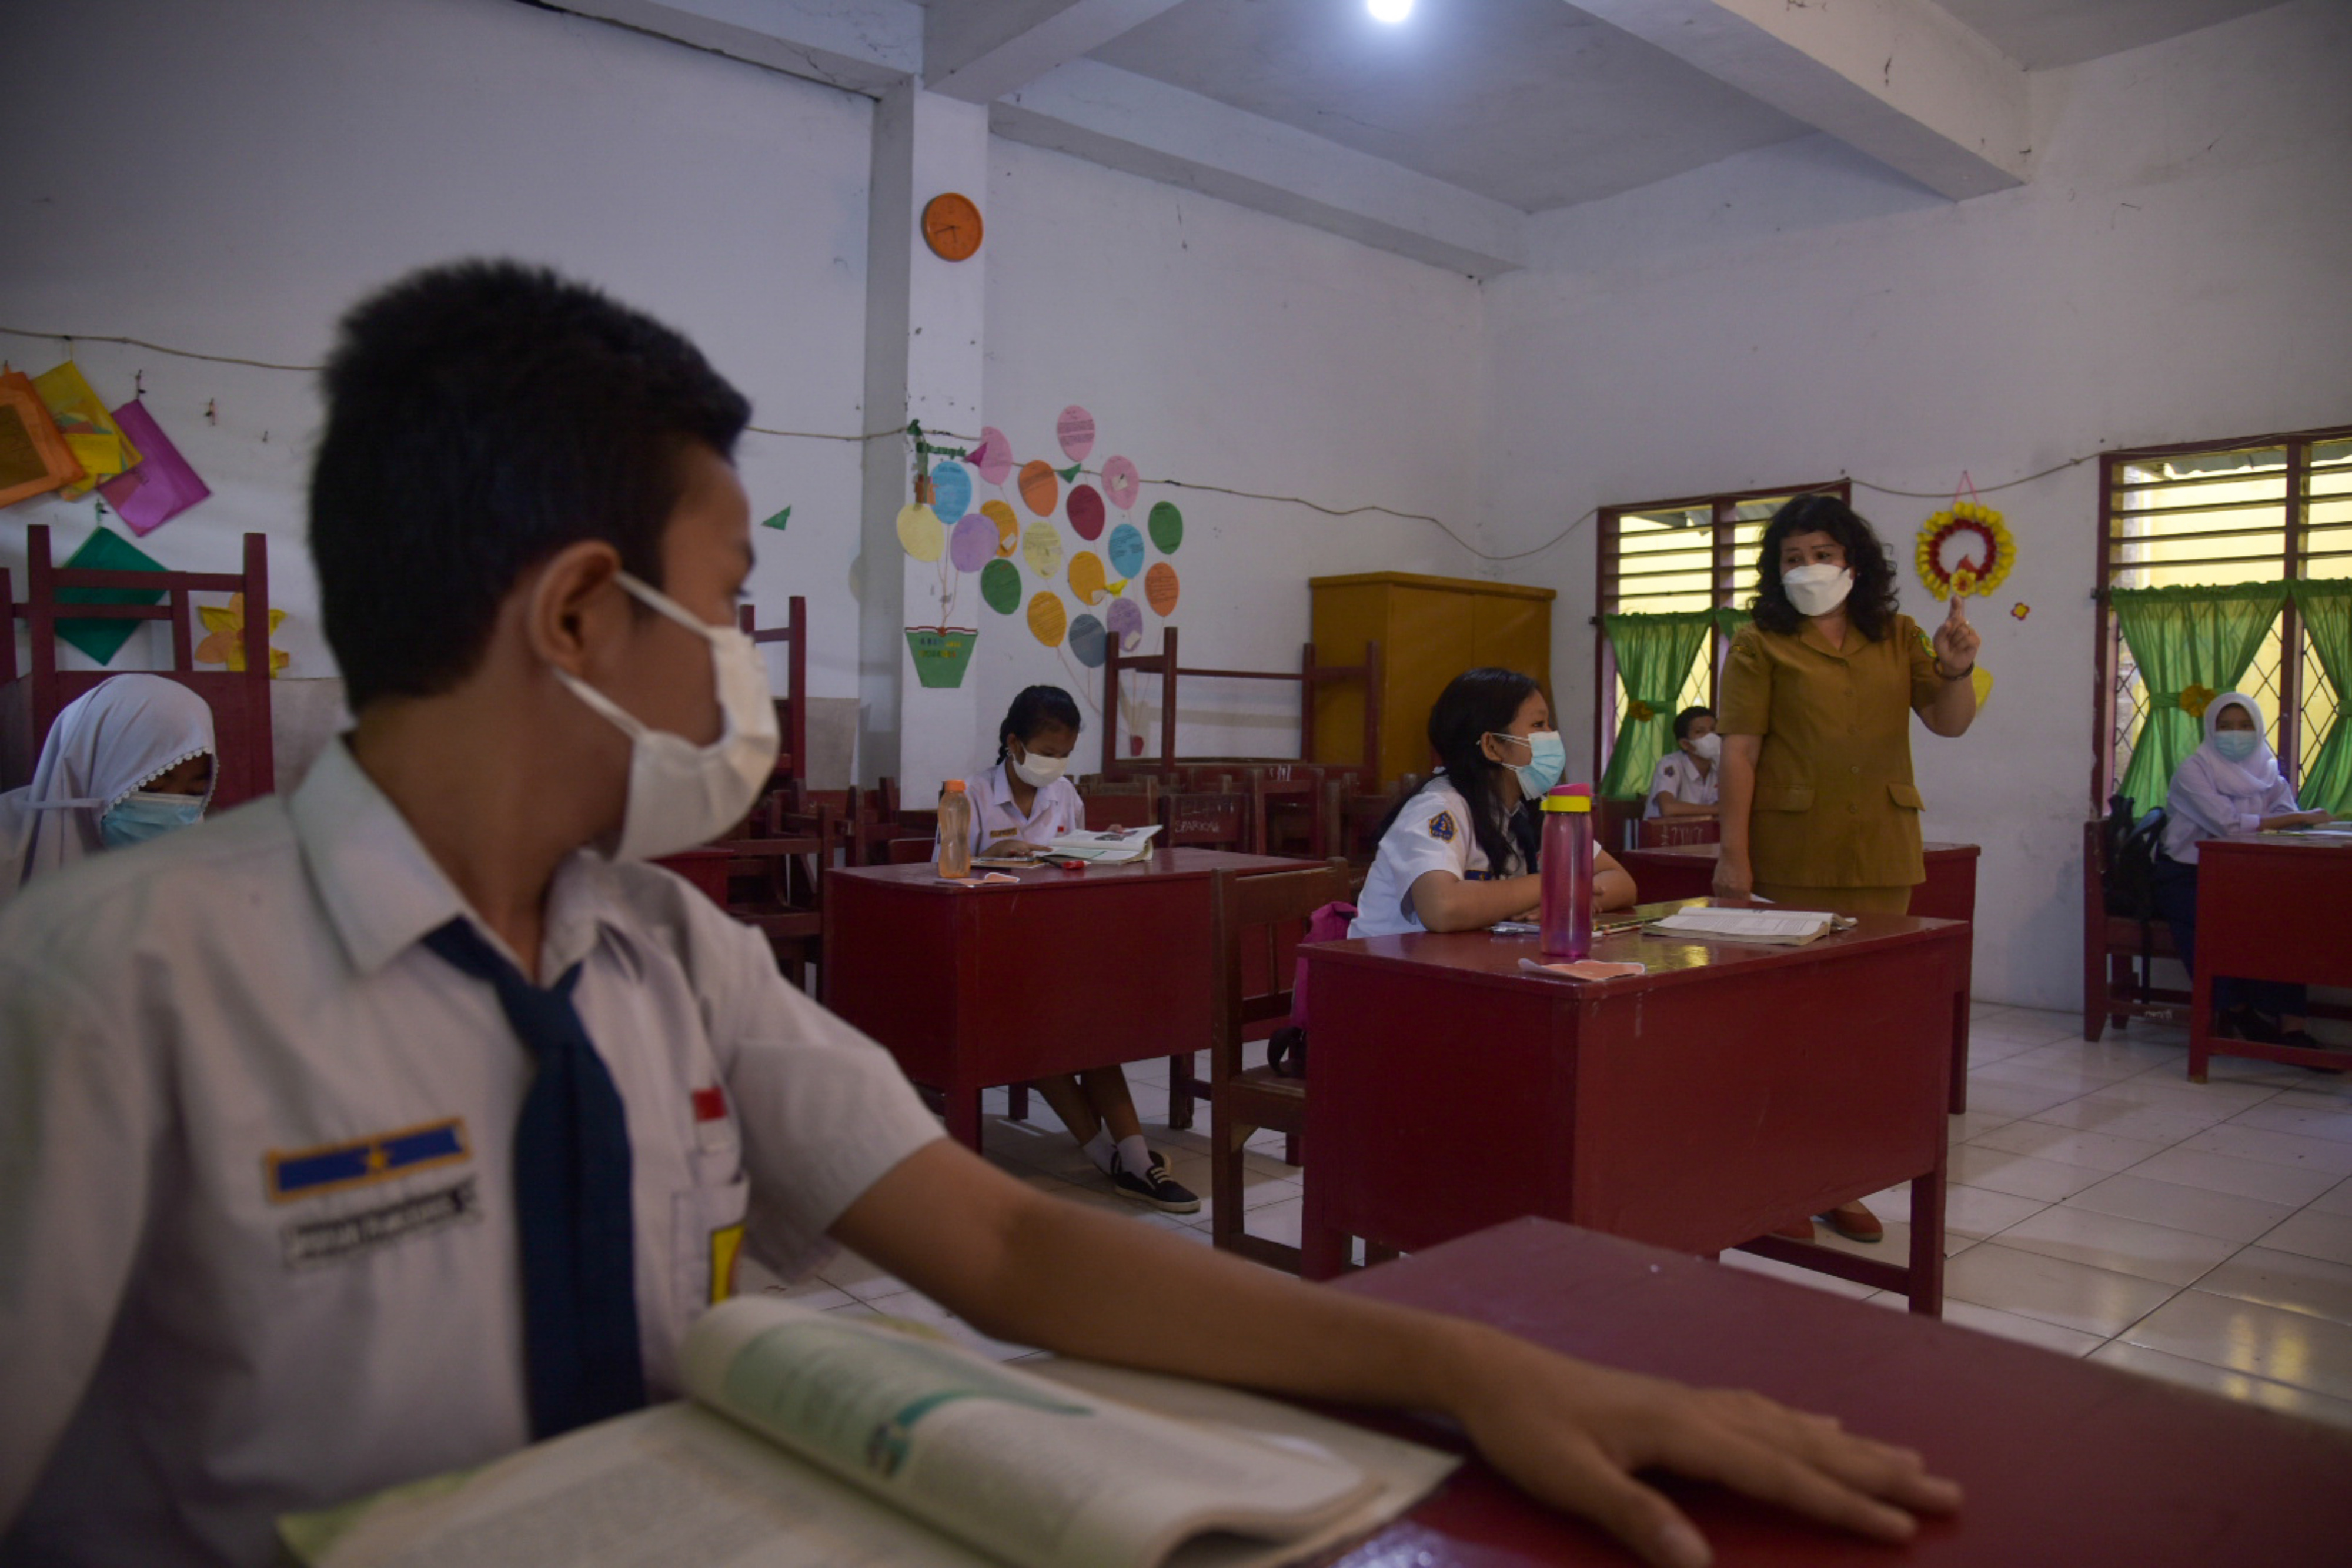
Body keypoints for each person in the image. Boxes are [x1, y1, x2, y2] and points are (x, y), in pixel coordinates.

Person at [0, 263, 1956, 1568]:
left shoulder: (667, 957)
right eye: (728, 597)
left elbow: (1006, 1234)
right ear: (583, 618)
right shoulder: (114, 998)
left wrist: (1453, 1361)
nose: (739, 678)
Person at [1713, 494, 1980, 1245]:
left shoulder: (1895, 635)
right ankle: (1775, 1186)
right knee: (1785, 1031)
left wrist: (1958, 669)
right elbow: (1739, 750)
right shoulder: (1761, 642)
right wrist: (1732, 853)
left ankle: (1841, 1184)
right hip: (1789, 854)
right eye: (1792, 558)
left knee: (1859, 1034)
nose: (1808, 568)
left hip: (1880, 854)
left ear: (1852, 562)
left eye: (1821, 553)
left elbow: (1949, 721)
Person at [951, 684, 1200, 1213]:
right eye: (1046, 753)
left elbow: (1073, 864)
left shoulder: (1064, 795)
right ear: (1014, 744)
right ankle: (1119, 1158)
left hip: (1053, 948)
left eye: (1064, 755)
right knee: (1045, 1035)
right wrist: (989, 853)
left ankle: (1128, 1159)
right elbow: (937, 876)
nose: (1055, 764)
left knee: (1089, 1031)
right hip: (988, 955)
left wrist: (1103, 844)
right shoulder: (969, 794)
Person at [1354, 667, 1635, 937]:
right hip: (1391, 973)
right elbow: (1442, 908)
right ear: (1491, 746)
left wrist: (1574, 899)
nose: (1552, 736)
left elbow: (1620, 880)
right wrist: (1559, 884)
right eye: (1538, 725)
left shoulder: (1530, 808)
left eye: (1549, 725)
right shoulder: (1439, 807)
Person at [2154, 691, 2334, 1049]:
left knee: (2287, 919)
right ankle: (2236, 1008)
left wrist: (2298, 822)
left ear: (2259, 729)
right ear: (2210, 729)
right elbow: (2229, 826)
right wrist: (2296, 817)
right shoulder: (2195, 770)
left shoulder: (2268, 771)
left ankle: (2292, 1026)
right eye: (2225, 727)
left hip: (2246, 877)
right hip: (2187, 875)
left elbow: (2287, 819)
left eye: (2244, 726)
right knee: (2221, 922)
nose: (2235, 735)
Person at [0, 672, 215, 908]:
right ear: (87, 765)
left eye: (195, 792)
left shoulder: (205, 873)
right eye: (154, 786)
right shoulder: (6, 852)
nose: (174, 810)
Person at [1646, 704, 1722, 820]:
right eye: (1700, 732)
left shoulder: (1720, 766)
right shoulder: (1670, 764)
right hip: (1665, 835)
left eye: (1713, 730)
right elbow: (1668, 809)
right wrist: (1719, 810)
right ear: (1685, 744)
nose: (1711, 737)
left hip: (1703, 835)